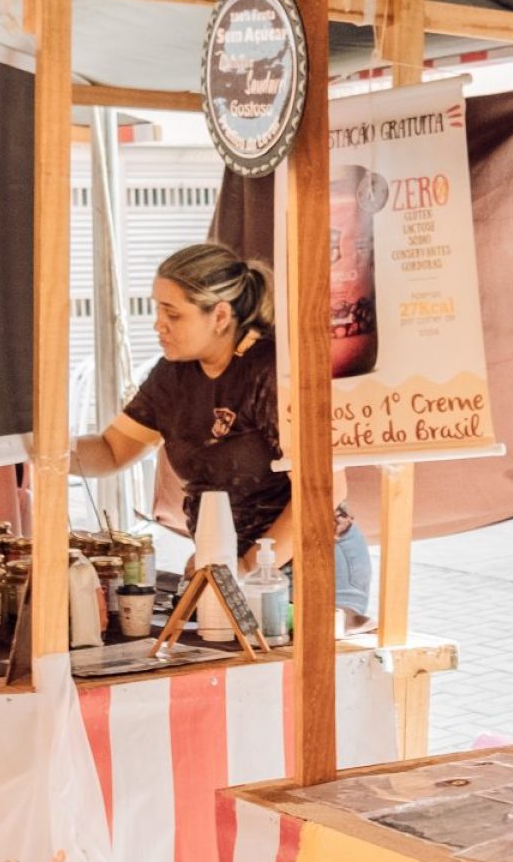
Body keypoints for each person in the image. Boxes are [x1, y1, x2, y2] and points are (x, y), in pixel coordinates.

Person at [71, 243, 374, 629]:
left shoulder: (271, 372)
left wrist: (244, 568)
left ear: (219, 316)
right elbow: (112, 451)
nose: (157, 324)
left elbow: (324, 489)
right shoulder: (171, 376)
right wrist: (40, 446)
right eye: (157, 309)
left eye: (173, 313)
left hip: (307, 563)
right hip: (231, 566)